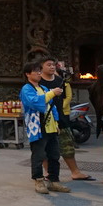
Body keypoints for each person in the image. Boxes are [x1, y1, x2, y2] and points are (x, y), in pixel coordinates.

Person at [37, 56, 93, 181]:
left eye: (53, 65)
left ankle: (75, 172)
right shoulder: (38, 82)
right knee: (44, 149)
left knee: (67, 146)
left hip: (61, 118)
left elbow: (64, 98)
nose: (52, 67)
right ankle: (48, 173)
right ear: (41, 67)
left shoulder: (59, 80)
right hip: (44, 119)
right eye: (49, 65)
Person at [20, 61, 70, 195]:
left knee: (54, 155)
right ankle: (38, 180)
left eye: (39, 71)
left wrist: (56, 123)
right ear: (27, 74)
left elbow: (52, 107)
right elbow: (35, 103)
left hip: (51, 126)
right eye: (35, 71)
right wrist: (52, 93)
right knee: (39, 155)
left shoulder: (44, 88)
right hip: (38, 127)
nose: (38, 73)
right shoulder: (26, 89)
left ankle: (54, 180)